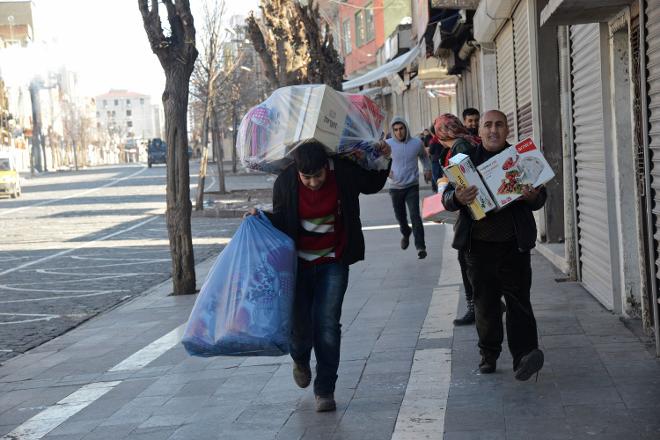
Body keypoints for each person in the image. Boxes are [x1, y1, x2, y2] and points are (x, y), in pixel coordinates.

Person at [250, 140, 391, 412]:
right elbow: (282, 219)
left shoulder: (343, 173)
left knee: (327, 324)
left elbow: (373, 184)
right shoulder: (285, 182)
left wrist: (385, 158)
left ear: (326, 167)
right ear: (297, 172)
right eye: (307, 177)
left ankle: (325, 389)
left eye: (318, 176)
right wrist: (260, 217)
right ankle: (300, 358)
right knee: (300, 330)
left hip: (333, 261)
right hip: (298, 266)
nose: (313, 182)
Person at [442, 110, 546, 381]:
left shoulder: (522, 158)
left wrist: (533, 196)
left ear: (507, 129)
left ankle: (524, 356)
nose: (493, 130)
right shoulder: (465, 163)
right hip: (479, 247)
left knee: (519, 302)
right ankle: (488, 354)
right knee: (485, 305)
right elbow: (446, 198)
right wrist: (458, 197)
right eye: (488, 125)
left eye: (499, 125)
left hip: (514, 245)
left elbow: (540, 198)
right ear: (480, 133)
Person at [433, 113, 479, 325]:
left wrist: (444, 197)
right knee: (468, 258)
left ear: (442, 133)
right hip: (471, 210)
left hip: (472, 212)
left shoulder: (460, 147)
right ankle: (483, 302)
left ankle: (476, 306)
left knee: (466, 258)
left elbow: (462, 181)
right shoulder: (465, 142)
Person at [386, 116, 432, 259]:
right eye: (396, 130)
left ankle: (420, 247)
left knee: (415, 216)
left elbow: (424, 157)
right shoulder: (387, 144)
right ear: (393, 131)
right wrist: (385, 170)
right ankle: (406, 232)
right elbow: (379, 159)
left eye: (401, 129)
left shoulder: (416, 143)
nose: (399, 132)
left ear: (406, 128)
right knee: (400, 217)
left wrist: (427, 169)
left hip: (412, 186)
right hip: (395, 187)